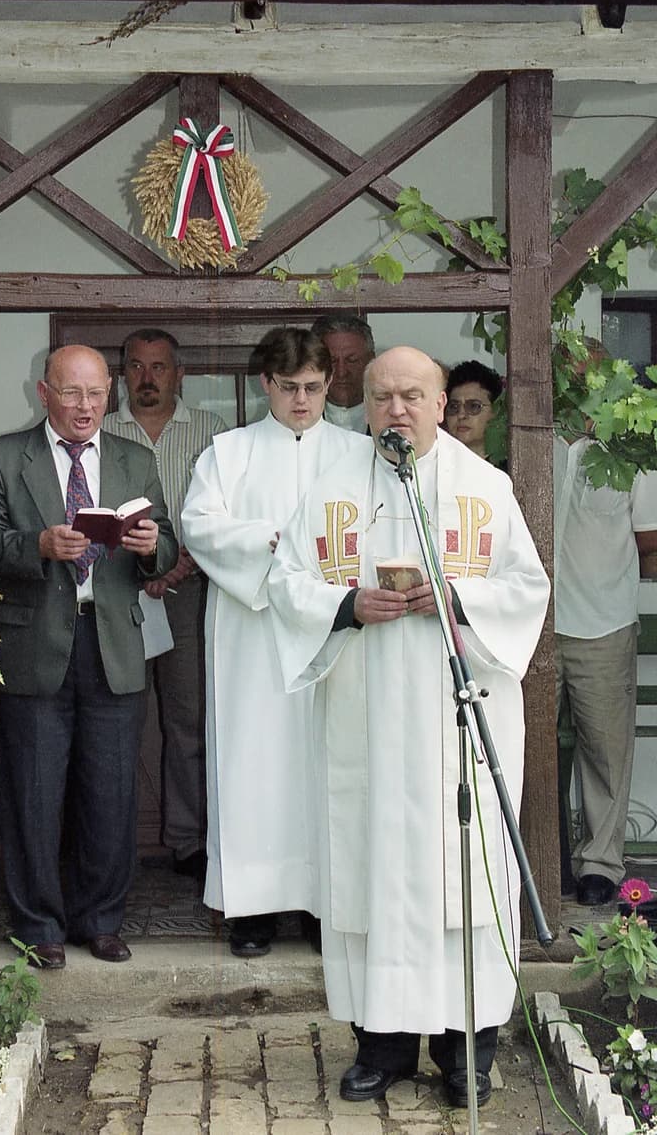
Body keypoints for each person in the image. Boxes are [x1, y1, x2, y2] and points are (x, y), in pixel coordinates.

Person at [268, 346, 549, 1107]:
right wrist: (345, 605)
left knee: (462, 883)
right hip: (367, 728)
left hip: (459, 728)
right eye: (383, 396)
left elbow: (528, 587)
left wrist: (457, 598)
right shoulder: (331, 487)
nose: (398, 409)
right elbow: (286, 579)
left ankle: (468, 1054)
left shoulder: (484, 489)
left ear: (437, 403)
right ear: (365, 405)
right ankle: (381, 1047)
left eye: (413, 396)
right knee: (374, 882)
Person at [0, 344, 177, 969]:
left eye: (94, 393)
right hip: (33, 645)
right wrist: (38, 544)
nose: (85, 407)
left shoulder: (136, 459)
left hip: (113, 643)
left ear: (108, 394)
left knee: (111, 793)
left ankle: (101, 920)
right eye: (71, 392)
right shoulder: (2, 456)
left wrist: (148, 546)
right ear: (43, 393)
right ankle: (39, 927)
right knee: (32, 792)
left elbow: (164, 553)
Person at [181, 327, 363, 957]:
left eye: (315, 388)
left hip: (327, 633)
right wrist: (273, 542)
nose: (304, 401)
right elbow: (199, 527)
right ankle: (251, 909)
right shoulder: (228, 453)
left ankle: (324, 904)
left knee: (327, 763)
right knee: (251, 763)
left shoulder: (356, 450)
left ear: (329, 384)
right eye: (290, 388)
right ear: (266, 384)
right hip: (252, 632)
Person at [102, 328, 228, 882]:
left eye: (159, 367)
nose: (147, 378)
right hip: (117, 593)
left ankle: (189, 840)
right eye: (136, 367)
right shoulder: (100, 431)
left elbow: (226, 514)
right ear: (122, 374)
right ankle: (110, 841)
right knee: (114, 720)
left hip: (190, 590)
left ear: (180, 374)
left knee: (189, 721)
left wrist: (183, 561)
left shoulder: (213, 433)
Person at [555, 430, 657, 905]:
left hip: (603, 621)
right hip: (530, 622)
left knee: (605, 753)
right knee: (528, 747)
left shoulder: (632, 450)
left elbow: (649, 536)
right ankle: (540, 860)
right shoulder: (532, 433)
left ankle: (599, 864)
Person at [311, 314, 375, 432]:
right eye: (332, 361)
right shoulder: (298, 423)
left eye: (352, 360)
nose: (342, 372)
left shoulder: (391, 419)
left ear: (371, 361)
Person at [444, 359, 504, 462]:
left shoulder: (510, 467)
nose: (461, 415)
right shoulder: (438, 465)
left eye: (473, 406)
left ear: (495, 412)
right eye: (454, 407)